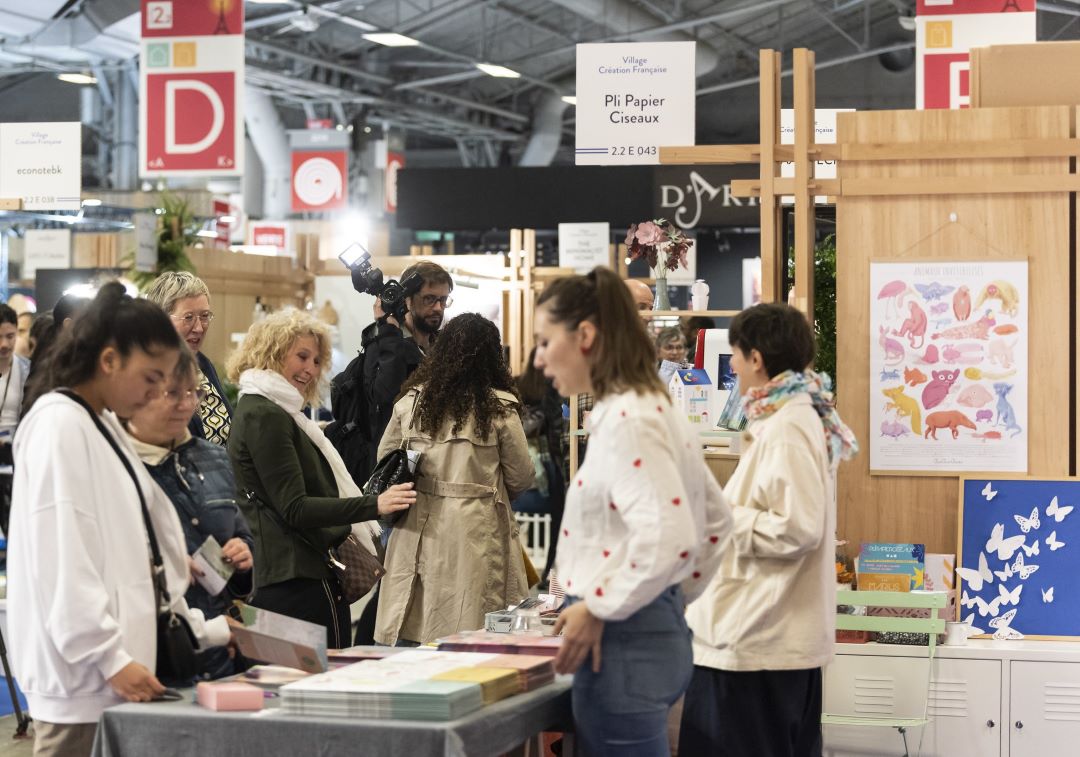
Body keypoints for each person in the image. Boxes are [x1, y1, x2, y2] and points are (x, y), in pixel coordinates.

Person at [8, 282, 232, 757]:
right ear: (109, 361)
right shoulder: (59, 424)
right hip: (85, 682)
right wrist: (109, 657)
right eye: (150, 376)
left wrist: (200, 625)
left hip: (117, 669)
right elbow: (63, 560)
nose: (157, 392)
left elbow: (145, 533)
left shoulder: (99, 420)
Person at [533, 267, 732, 757]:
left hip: (624, 643)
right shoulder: (647, 407)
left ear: (584, 336)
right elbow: (716, 523)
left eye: (543, 341)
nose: (538, 359)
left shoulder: (630, 418)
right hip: (643, 631)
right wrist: (665, 596)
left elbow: (671, 536)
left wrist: (604, 604)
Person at [680, 303, 858, 757]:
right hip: (765, 638)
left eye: (736, 354)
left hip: (760, 640)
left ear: (756, 358)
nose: (733, 366)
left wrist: (720, 515)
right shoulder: (788, 419)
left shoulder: (787, 427)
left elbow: (798, 528)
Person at [226, 310, 416, 648]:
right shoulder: (266, 415)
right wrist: (374, 505)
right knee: (320, 685)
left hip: (293, 576)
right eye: (301, 356)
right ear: (272, 351)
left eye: (316, 360)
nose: (310, 369)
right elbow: (295, 508)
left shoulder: (276, 411)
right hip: (294, 582)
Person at [375, 313, 534, 646]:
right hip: (476, 529)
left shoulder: (412, 402)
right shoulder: (499, 408)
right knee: (473, 626)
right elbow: (521, 476)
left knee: (413, 619)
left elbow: (385, 460)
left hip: (415, 525)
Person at [126, 347, 254, 682]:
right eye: (172, 394)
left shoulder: (214, 458)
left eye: (192, 393)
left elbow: (242, 531)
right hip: (159, 651)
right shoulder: (120, 468)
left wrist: (244, 553)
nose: (185, 405)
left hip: (222, 646)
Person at [144, 272, 232, 446]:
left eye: (205, 316)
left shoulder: (203, 365)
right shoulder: (150, 376)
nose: (199, 328)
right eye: (189, 318)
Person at [512, 347, 566, 584]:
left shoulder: (515, 386)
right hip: (545, 468)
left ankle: (521, 573)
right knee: (559, 520)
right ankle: (550, 574)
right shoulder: (552, 391)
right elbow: (555, 430)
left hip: (518, 465)